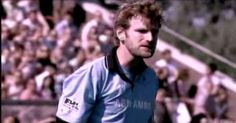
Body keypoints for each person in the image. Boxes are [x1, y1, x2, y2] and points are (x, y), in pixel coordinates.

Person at [56, 0, 163, 122]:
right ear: (121, 33)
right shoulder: (92, 74)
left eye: (154, 32)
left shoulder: (151, 78)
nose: (150, 38)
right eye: (142, 31)